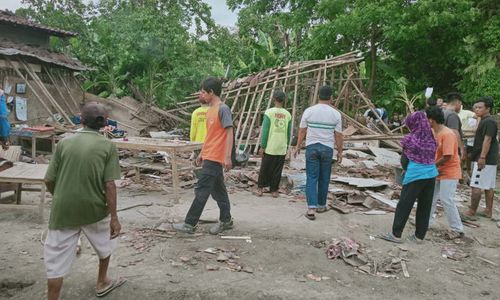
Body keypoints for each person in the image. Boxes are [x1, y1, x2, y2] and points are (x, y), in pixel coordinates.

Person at [44, 102, 124, 300]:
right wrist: (114, 217)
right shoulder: (107, 146)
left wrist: (60, 197)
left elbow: (48, 179)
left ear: (81, 119)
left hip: (63, 210)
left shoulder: (64, 142)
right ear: (105, 124)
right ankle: (102, 281)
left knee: (55, 260)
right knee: (105, 244)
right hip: (94, 208)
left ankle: (53, 297)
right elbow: (110, 186)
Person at [173, 77, 234, 234]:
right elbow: (210, 136)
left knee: (201, 190)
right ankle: (226, 220)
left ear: (211, 92)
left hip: (216, 157)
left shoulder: (223, 109)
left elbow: (229, 132)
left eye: (203, 92)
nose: (201, 95)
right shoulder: (209, 111)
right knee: (218, 190)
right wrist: (202, 153)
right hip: (209, 155)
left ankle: (190, 224)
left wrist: (227, 157)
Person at [380, 111, 438, 243]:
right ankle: (419, 237)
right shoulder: (432, 137)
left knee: (404, 205)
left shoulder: (410, 139)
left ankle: (396, 234)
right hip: (431, 175)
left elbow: (404, 160)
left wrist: (406, 169)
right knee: (425, 206)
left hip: (415, 175)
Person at [292, 86, 343, 220]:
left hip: (312, 147)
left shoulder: (309, 111)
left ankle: (311, 210)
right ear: (331, 97)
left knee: (312, 177)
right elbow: (338, 135)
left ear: (318, 96)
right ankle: (321, 205)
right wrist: (340, 152)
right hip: (327, 148)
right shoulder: (336, 114)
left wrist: (298, 146)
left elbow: (302, 130)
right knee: (324, 177)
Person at [426, 107, 464, 239]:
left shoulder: (447, 134)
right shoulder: (433, 131)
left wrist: (431, 165)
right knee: (430, 197)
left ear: (431, 120)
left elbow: (448, 156)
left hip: (449, 170)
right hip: (437, 169)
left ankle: (457, 228)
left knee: (446, 199)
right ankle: (427, 221)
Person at [463, 97, 498, 220]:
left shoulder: (488, 122)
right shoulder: (485, 121)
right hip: (489, 159)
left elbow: (487, 140)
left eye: (480, 107)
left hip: (484, 159)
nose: (476, 110)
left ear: (488, 108)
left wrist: (482, 157)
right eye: (475, 107)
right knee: (488, 185)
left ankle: (472, 211)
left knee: (476, 185)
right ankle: (488, 211)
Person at [255, 90, 291, 198]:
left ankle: (260, 188)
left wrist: (263, 145)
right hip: (281, 146)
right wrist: (287, 145)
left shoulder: (269, 112)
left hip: (270, 146)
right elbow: (288, 133)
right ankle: (274, 190)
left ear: (273, 99)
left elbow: (265, 131)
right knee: (277, 170)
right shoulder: (287, 114)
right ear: (284, 100)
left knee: (265, 168)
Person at [443, 93, 465, 158]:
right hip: (451, 148)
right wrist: (461, 148)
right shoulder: (452, 115)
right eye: (460, 104)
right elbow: (455, 132)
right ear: (458, 102)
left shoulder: (442, 112)